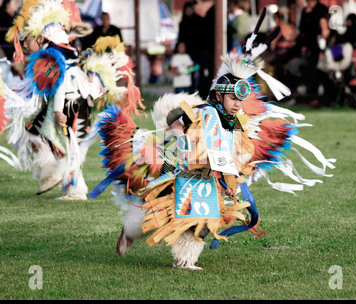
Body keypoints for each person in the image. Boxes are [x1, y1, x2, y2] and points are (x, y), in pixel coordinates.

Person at [91, 10, 335, 270]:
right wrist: (176, 135)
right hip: (176, 170)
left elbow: (230, 159)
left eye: (240, 100)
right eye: (233, 99)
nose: (237, 105)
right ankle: (129, 234)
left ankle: (184, 261)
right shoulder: (204, 112)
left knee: (204, 221)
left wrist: (230, 184)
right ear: (219, 96)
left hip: (207, 179)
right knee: (151, 216)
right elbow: (174, 114)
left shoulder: (236, 124)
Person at [3, 0, 92, 200]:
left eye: (27, 41)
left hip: (69, 99)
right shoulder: (52, 44)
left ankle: (68, 184)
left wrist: (58, 110)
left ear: (38, 37)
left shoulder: (52, 50)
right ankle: (65, 182)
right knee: (52, 138)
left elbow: (60, 77)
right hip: (74, 96)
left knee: (61, 141)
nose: (25, 46)